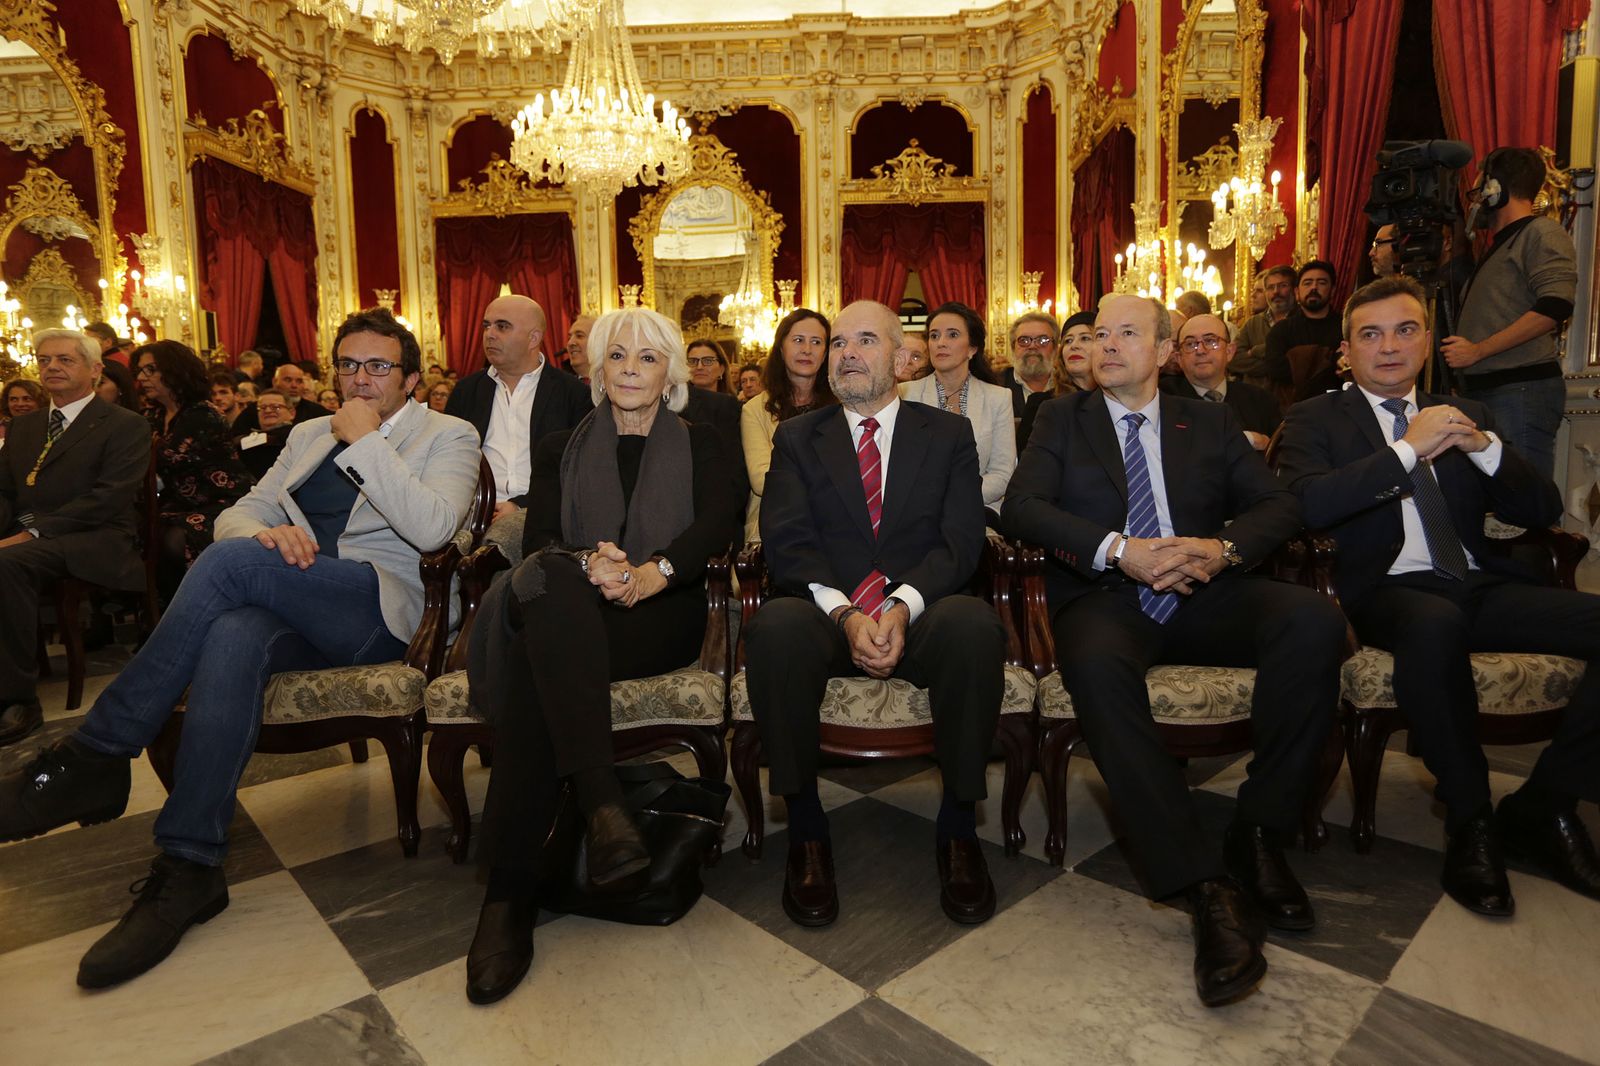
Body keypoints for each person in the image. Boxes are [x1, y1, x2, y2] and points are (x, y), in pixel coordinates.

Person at [0, 308, 481, 988]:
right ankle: (190, 866)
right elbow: (241, 509)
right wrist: (268, 535)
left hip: (382, 609)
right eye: (348, 364)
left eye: (378, 367)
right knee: (232, 629)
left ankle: (94, 755)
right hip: (295, 597)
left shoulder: (448, 433)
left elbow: (433, 531)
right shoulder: (310, 433)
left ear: (408, 378)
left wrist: (367, 442)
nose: (361, 379)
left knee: (229, 568)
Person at [1002, 293, 1345, 1008]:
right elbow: (1024, 507)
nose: (1109, 344)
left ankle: (1258, 833)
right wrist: (1117, 550)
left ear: (1163, 352)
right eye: (1100, 333)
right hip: (1106, 598)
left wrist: (1220, 550)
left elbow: (1277, 505)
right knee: (1094, 668)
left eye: (1129, 332)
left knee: (1312, 620)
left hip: (1201, 590)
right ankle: (1203, 884)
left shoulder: (1209, 420)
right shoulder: (1061, 419)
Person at [1275, 275, 1600, 915]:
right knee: (1432, 625)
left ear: (1427, 341)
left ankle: (1545, 805)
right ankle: (1471, 819)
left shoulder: (1466, 413)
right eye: (1370, 334)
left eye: (1404, 330)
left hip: (1475, 583)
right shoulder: (1314, 418)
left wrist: (1483, 449)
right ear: (1348, 350)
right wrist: (1406, 450)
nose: (1389, 347)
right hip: (1383, 591)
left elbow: (1542, 507)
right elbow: (1305, 504)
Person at [462, 307, 740, 1004]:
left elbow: (718, 523)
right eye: (617, 357)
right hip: (577, 606)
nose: (631, 371)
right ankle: (600, 806)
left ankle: (508, 895)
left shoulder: (703, 440)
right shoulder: (561, 445)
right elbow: (545, 537)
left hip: (662, 616)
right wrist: (593, 563)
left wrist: (653, 573)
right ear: (596, 368)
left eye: (647, 358)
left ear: (670, 371)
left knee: (536, 648)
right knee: (551, 584)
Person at [744, 300, 1005, 929]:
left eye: (866, 340)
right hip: (829, 615)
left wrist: (900, 605)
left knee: (973, 624)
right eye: (838, 342)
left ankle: (958, 831)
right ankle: (805, 832)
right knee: (774, 627)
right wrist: (846, 614)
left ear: (901, 359)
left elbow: (962, 540)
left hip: (920, 612)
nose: (847, 353)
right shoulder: (799, 437)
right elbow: (787, 541)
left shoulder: (945, 435)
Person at [0, 329, 151, 746]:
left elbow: (108, 498)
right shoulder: (24, 425)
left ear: (95, 369)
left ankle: (18, 701)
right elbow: (5, 491)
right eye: (44, 359)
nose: (52, 367)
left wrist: (31, 532)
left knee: (6, 564)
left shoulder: (124, 425)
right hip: (32, 534)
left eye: (65, 360)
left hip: (96, 536)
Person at [1441, 148, 1578, 481]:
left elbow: (1555, 306)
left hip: (1520, 391)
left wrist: (1478, 351)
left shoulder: (1541, 233)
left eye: (1478, 190)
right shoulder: (1501, 245)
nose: (1476, 201)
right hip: (1492, 392)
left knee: (1522, 496)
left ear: (1495, 189)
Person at [445, 295, 592, 523]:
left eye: (502, 326)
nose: (490, 334)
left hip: (545, 514)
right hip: (472, 517)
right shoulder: (466, 392)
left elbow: (579, 470)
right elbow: (448, 462)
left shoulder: (572, 394)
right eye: (486, 326)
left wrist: (522, 505)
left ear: (533, 338)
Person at [133, 341, 255, 602]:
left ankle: (191, 612)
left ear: (175, 370)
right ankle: (156, 618)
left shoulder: (203, 414)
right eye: (141, 370)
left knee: (173, 537)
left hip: (220, 501)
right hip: (176, 503)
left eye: (151, 370)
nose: (142, 378)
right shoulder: (152, 414)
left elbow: (167, 460)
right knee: (133, 530)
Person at [899, 301, 1016, 523]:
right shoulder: (905, 394)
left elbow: (1002, 474)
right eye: (934, 336)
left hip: (978, 510)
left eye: (952, 335)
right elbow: (901, 467)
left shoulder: (998, 398)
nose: (941, 343)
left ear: (972, 348)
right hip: (916, 513)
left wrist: (955, 499)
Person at [740, 308, 834, 543]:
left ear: (826, 353)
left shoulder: (843, 405)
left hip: (835, 525)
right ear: (781, 348)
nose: (807, 349)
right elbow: (762, 480)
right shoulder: (755, 409)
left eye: (816, 342)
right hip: (774, 526)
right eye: (798, 340)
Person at [1160, 313, 1282, 450]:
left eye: (1210, 341)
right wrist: (1248, 439)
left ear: (1229, 352)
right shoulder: (1163, 399)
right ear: (1179, 358)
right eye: (1190, 344)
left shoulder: (1261, 401)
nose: (1200, 350)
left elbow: (1282, 452)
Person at [1262, 260, 1342, 401]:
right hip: (1293, 409)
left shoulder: (1345, 327)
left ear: (1332, 290)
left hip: (1338, 403)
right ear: (1297, 291)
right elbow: (1275, 369)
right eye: (1307, 283)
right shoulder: (1281, 330)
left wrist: (1300, 359)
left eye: (1321, 283)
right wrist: (1326, 359)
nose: (1314, 288)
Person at [1018, 310, 1097, 450]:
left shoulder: (1116, 402)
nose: (1074, 346)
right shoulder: (1041, 404)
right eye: (1068, 341)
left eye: (1085, 338)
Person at [1232, 265, 1295, 388]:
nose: (1276, 291)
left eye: (1283, 286)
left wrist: (1255, 351)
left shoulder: (1301, 321)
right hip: (1255, 398)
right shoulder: (1253, 323)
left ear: (1294, 289)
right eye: (1271, 287)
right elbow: (1232, 359)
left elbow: (1298, 364)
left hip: (1290, 398)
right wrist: (1276, 365)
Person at [1002, 312, 1057, 417]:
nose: (1032, 346)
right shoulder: (995, 384)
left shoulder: (1070, 387)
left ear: (1055, 348)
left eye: (1042, 340)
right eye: (1024, 340)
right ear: (1013, 348)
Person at [236, 389, 295, 481]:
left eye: (276, 407)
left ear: (292, 413)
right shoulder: (250, 436)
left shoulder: (296, 434)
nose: (267, 411)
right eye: (262, 408)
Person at [0, 379, 46, 446]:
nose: (20, 404)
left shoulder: (50, 428)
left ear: (40, 401)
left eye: (27, 399)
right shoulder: (2, 429)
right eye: (14, 399)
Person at [565, 313, 596, 382]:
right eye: (569, 338)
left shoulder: (616, 385)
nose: (570, 343)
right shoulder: (560, 387)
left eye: (579, 336)